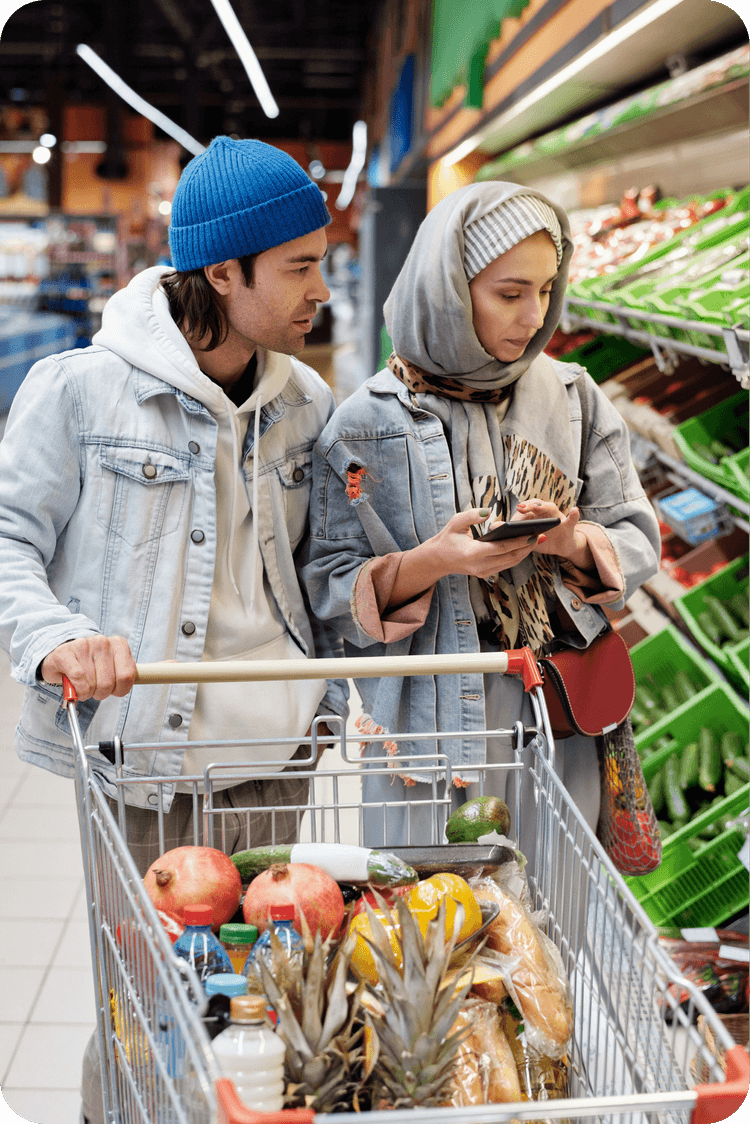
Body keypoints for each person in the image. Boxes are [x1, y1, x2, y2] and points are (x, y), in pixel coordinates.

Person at [0, 137, 347, 1122]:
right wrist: (58, 635)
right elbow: (7, 533)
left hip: (281, 759)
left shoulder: (304, 402)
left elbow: (316, 578)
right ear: (223, 272)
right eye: (300, 265)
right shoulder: (77, 393)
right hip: (152, 760)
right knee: (146, 1013)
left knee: (252, 1012)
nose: (320, 285)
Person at [302, 181, 661, 860]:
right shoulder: (364, 426)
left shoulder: (572, 397)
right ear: (448, 289)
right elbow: (326, 587)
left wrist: (574, 540)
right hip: (427, 738)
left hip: (558, 722)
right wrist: (433, 561)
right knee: (432, 930)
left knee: (551, 939)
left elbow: (637, 536)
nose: (535, 315)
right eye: (508, 292)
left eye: (547, 289)